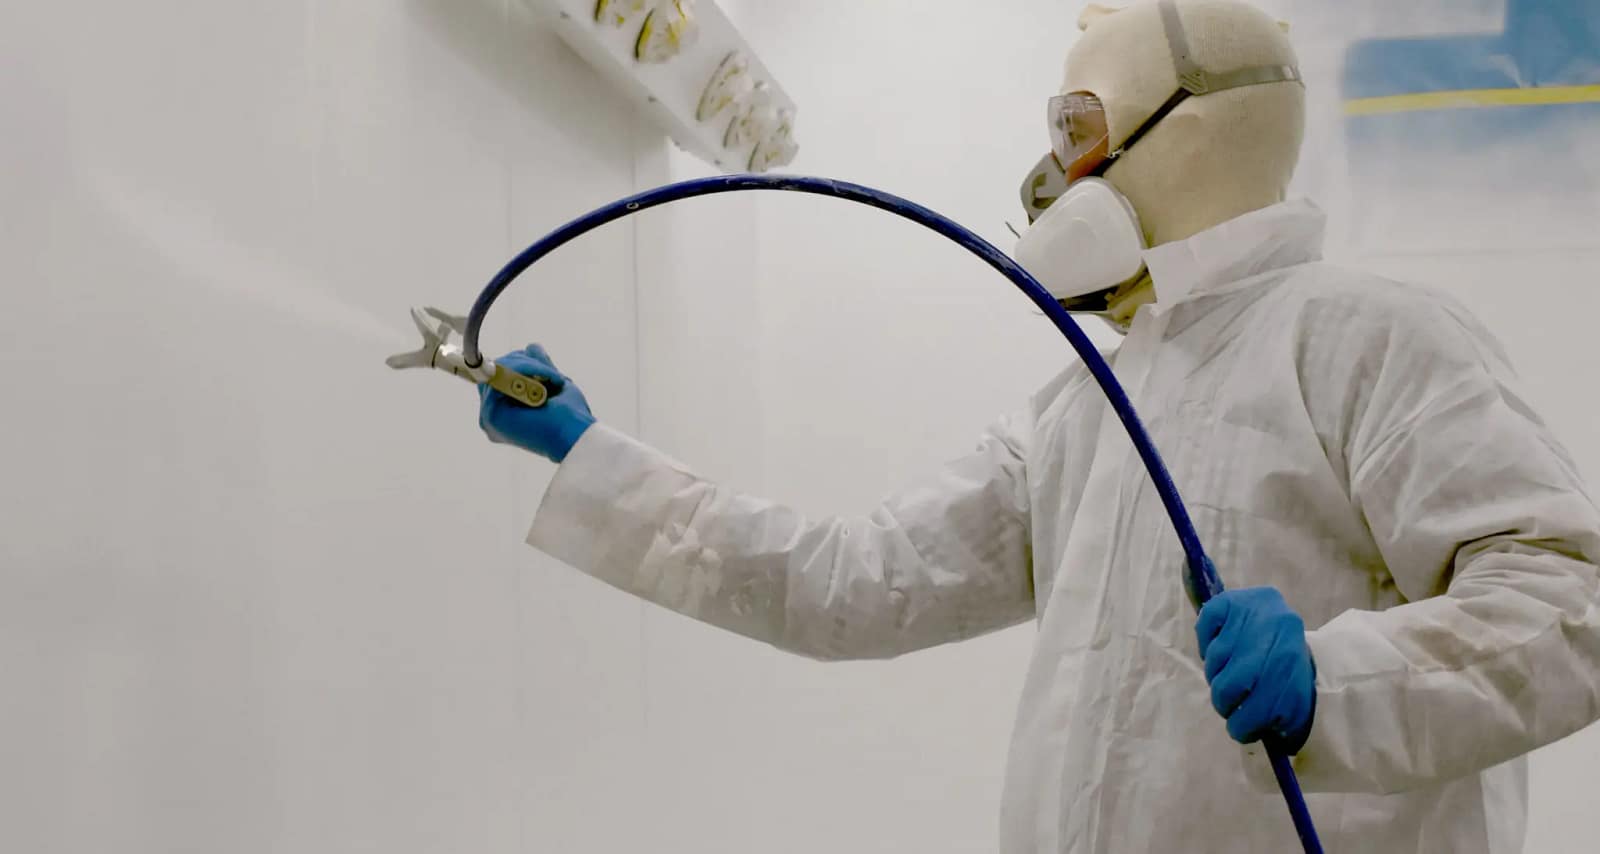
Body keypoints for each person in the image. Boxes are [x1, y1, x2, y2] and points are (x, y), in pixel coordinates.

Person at [476, 2, 1600, 851]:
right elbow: (856, 580)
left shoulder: (1367, 337)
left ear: (1194, 130)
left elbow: (1570, 600)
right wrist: (593, 456)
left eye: (1076, 129)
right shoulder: (1084, 406)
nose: (1052, 175)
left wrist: (1333, 680)